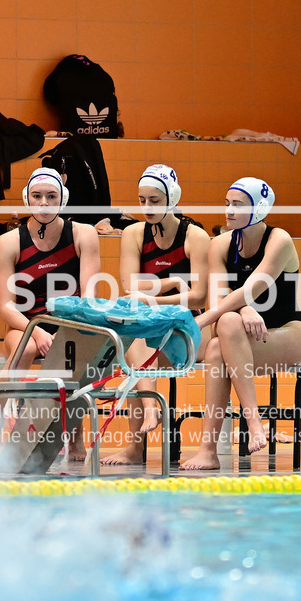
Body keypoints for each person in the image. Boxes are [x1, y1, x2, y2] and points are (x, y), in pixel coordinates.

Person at [180, 178, 301, 470]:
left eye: (238, 204)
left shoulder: (280, 241)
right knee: (221, 336)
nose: (229, 211)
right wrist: (244, 309)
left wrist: (200, 321)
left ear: (259, 208)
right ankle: (220, 443)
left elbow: (251, 288)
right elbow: (222, 298)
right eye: (227, 204)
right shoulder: (221, 245)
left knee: (220, 336)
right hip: (236, 336)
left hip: (284, 334)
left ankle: (244, 425)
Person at [103, 164, 211, 465]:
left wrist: (153, 297)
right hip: (150, 328)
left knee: (139, 347)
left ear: (172, 198)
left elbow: (201, 296)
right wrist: (174, 284)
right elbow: (128, 286)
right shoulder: (134, 233)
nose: (147, 208)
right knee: (138, 342)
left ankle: (137, 441)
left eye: (155, 200)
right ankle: (148, 414)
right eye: (142, 201)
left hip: (190, 328)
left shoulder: (196, 236)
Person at [0, 166, 101, 458]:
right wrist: (37, 330)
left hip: (70, 321)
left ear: (62, 199)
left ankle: (75, 436)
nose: (43, 203)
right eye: (37, 196)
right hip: (24, 324)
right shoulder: (9, 242)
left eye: (51, 196)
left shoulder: (83, 234)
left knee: (76, 354)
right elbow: (6, 305)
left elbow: (89, 297)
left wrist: (70, 327)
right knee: (25, 350)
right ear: (27, 199)